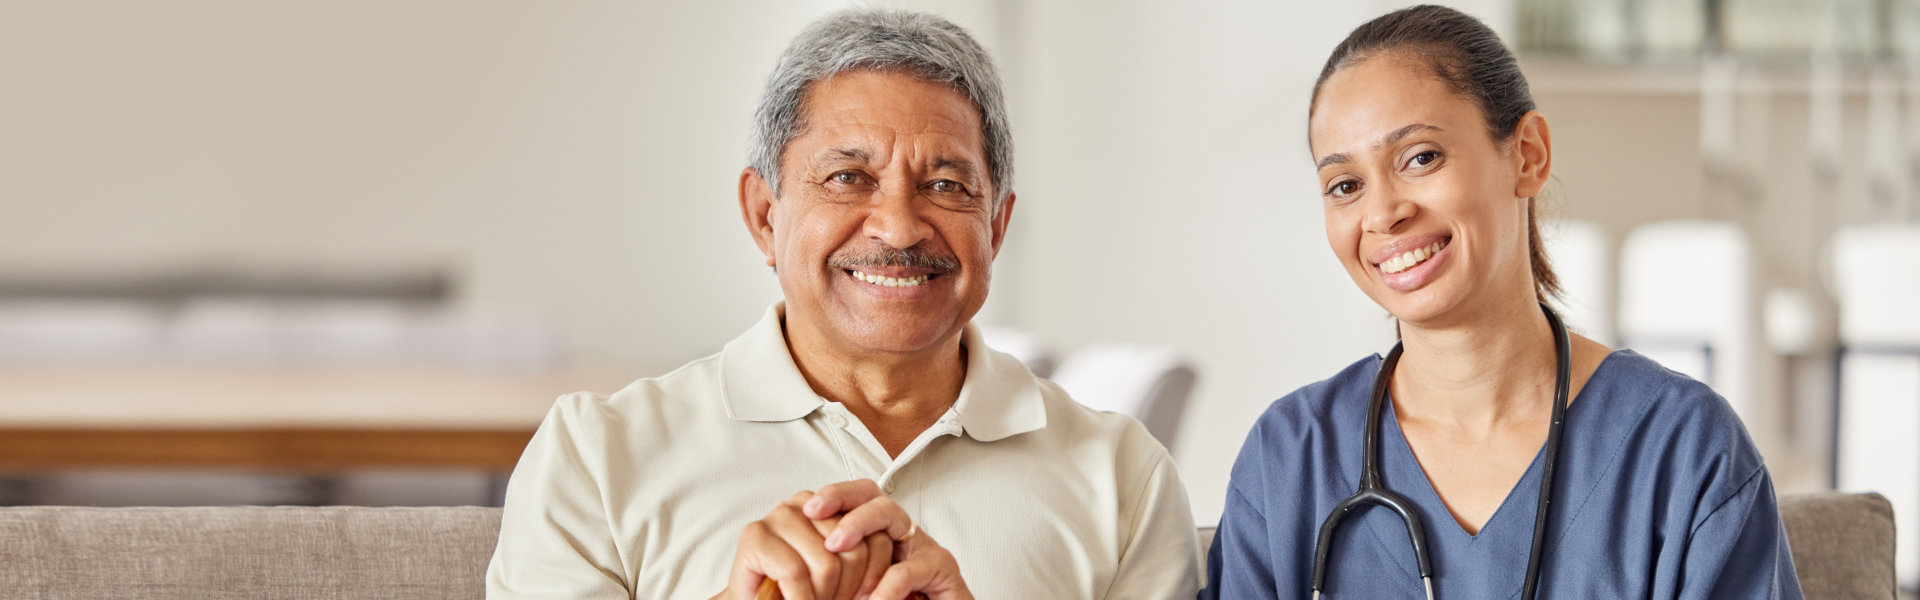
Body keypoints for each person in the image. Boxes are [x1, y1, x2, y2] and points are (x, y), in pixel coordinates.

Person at [485, 8, 1201, 600]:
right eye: (849, 177)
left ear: (998, 226)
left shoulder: (1122, 477)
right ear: (765, 216)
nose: (898, 226)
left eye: (947, 186)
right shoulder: (596, 456)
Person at [1201, 5, 1802, 599]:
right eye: (1345, 186)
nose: (1382, 213)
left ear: (1528, 155)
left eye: (1420, 158)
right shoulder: (1288, 458)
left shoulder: (1682, 449)